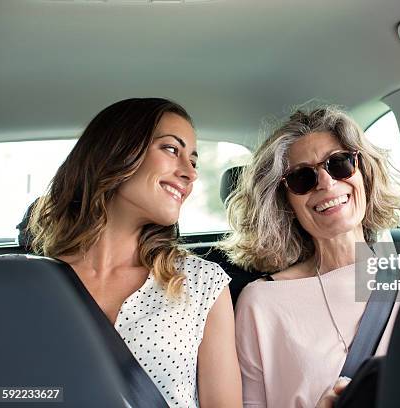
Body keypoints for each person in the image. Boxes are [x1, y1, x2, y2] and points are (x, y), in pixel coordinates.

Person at [28, 98, 242, 408]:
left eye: (193, 160)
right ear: (117, 151)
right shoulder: (29, 286)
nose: (190, 173)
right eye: (172, 149)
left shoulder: (201, 283)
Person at [221, 106, 400, 407]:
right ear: (284, 202)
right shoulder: (262, 302)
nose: (326, 182)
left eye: (340, 163)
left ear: (364, 173)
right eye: (302, 177)